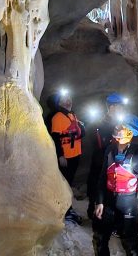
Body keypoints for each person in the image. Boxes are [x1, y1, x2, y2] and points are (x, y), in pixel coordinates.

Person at [94, 114, 138, 256]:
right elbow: (103, 177)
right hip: (109, 200)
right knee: (102, 238)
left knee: (131, 242)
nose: (118, 126)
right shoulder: (110, 150)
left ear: (130, 132)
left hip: (128, 201)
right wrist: (100, 202)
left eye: (122, 126)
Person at [87, 93, 127, 219]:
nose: (122, 109)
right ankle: (94, 212)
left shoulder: (117, 122)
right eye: (120, 106)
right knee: (98, 185)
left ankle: (105, 213)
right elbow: (102, 142)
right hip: (101, 159)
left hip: (111, 160)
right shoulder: (102, 123)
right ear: (112, 107)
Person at [49, 91, 85, 224]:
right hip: (66, 157)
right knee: (64, 184)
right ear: (59, 103)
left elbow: (79, 132)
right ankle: (64, 210)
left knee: (68, 183)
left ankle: (66, 208)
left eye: (69, 98)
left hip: (75, 154)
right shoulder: (58, 117)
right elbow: (56, 138)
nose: (68, 101)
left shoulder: (71, 115)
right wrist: (60, 156)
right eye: (64, 99)